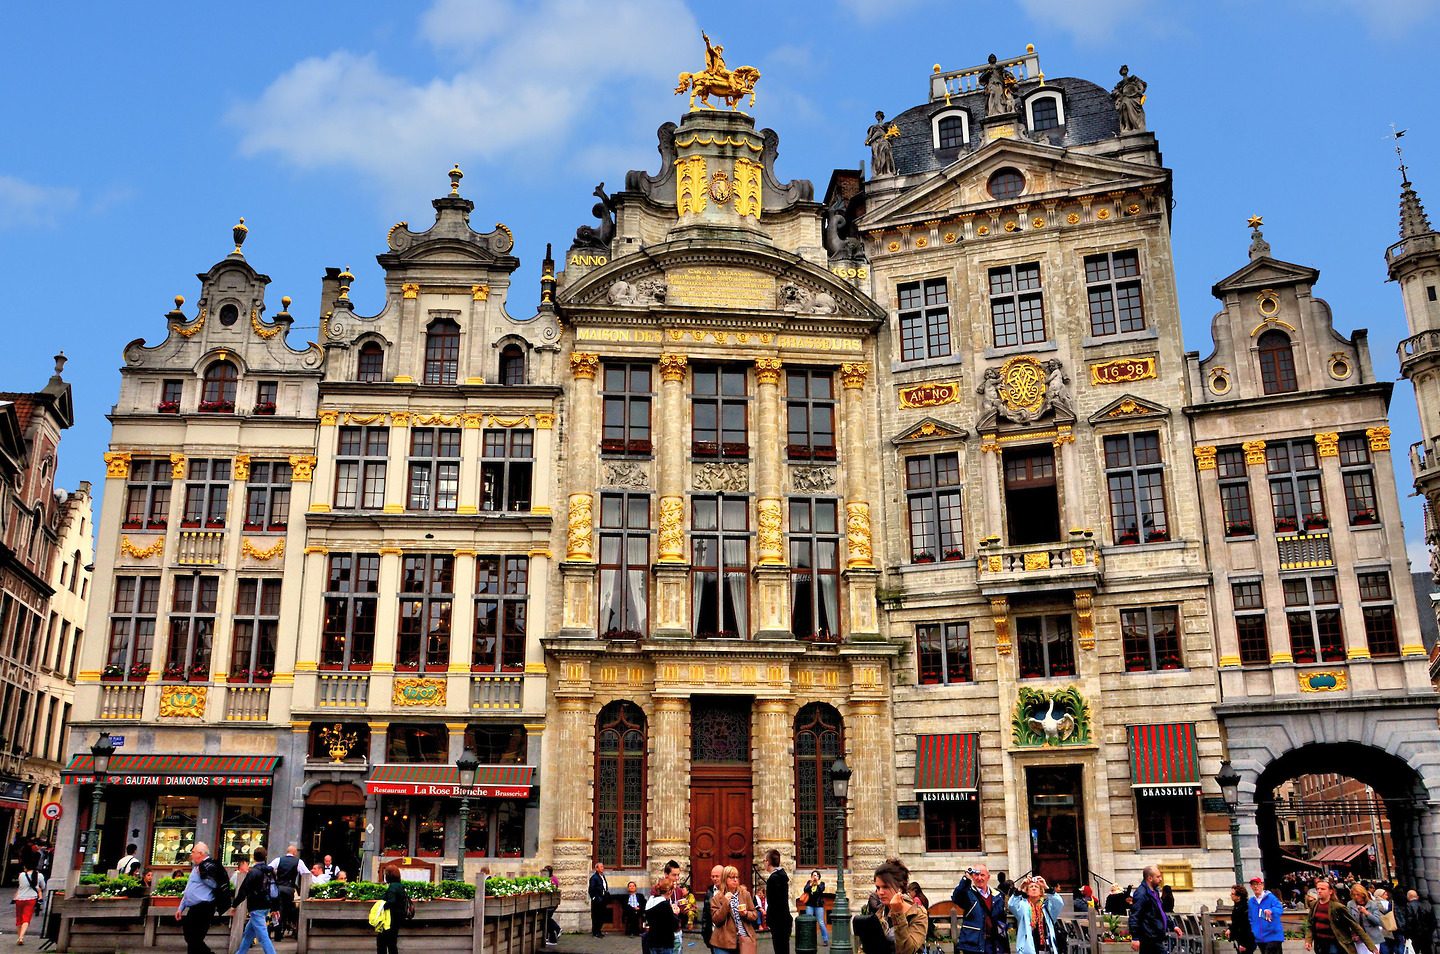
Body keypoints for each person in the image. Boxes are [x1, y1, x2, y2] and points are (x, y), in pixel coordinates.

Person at [852, 859, 928, 954]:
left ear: (899, 887)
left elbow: (907, 950)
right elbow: (865, 947)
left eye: (885, 887)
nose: (880, 892)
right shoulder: (880, 913)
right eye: (878, 887)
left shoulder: (917, 914)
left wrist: (898, 913)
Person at [178, 843, 229, 954]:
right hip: (193, 908)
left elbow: (216, 885)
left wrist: (204, 877)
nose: (191, 854)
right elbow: (189, 888)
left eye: (193, 852)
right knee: (190, 936)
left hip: (204, 907)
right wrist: (181, 907)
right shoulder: (196, 867)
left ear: (200, 854)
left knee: (194, 938)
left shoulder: (209, 866)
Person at [230, 846, 278, 954]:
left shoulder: (253, 872)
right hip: (267, 905)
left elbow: (243, 890)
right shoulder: (270, 871)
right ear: (265, 857)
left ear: (253, 857)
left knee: (263, 937)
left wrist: (234, 905)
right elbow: (275, 890)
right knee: (248, 934)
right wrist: (276, 907)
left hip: (256, 906)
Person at [953, 864, 1007, 954]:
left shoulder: (997, 895)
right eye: (976, 875)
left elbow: (1001, 920)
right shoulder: (968, 893)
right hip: (973, 944)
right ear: (972, 877)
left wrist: (1004, 946)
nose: (979, 878)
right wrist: (966, 879)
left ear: (988, 877)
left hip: (994, 944)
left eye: (982, 875)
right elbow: (956, 897)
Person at [1130, 866, 1183, 954]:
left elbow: (1160, 912)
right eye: (1158, 877)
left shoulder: (1154, 892)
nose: (1161, 879)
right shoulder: (1141, 893)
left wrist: (1173, 926)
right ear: (1150, 878)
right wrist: (1135, 937)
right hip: (1150, 936)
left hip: (1155, 935)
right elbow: (1135, 915)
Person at [710, 865, 759, 954]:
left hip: (744, 939)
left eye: (737, 877)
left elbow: (755, 914)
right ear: (725, 879)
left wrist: (746, 913)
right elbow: (716, 920)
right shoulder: (717, 898)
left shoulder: (745, 894)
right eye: (732, 877)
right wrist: (725, 903)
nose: (735, 880)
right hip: (723, 942)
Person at [1009, 876, 1063, 954]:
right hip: (1027, 949)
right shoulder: (1023, 906)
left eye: (1036, 887)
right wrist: (1020, 887)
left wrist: (1047, 887)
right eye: (1031, 887)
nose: (1034, 888)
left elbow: (1059, 903)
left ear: (1041, 891)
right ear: (1027, 891)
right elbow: (1011, 905)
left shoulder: (1047, 906)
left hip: (1046, 948)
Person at [1306, 879, 1363, 954]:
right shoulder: (1314, 904)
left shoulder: (1338, 907)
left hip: (1333, 942)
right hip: (1320, 942)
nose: (1319, 891)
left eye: (1322, 889)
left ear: (1330, 891)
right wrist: (1308, 940)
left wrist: (1371, 947)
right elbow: (1310, 924)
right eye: (1318, 889)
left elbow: (1354, 925)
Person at [646, 873, 682, 954]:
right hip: (665, 943)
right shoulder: (665, 905)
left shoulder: (651, 901)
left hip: (652, 941)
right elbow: (674, 925)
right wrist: (675, 913)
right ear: (670, 891)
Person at [766, 850, 793, 954]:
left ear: (768, 862)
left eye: (765, 861)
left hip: (778, 921)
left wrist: (769, 919)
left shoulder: (773, 879)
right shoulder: (782, 876)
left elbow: (772, 902)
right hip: (785, 919)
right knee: (784, 949)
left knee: (779, 949)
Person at [14, 858, 46, 945]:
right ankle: (21, 937)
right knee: (26, 918)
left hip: (20, 898)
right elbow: (43, 886)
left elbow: (20, 886)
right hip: (31, 899)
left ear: (26, 867)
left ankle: (19, 937)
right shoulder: (39, 875)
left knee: (19, 918)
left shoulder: (21, 875)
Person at [1249, 877, 1285, 954]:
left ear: (1262, 885)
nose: (1256, 887)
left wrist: (1271, 910)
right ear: (1251, 887)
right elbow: (1250, 918)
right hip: (1260, 938)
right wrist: (1253, 931)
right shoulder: (1251, 901)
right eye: (1253, 884)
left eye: (1258, 884)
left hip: (1273, 936)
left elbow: (1279, 909)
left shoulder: (1271, 897)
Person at [274, 844, 301, 941]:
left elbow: (269, 868)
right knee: (286, 910)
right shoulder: (298, 861)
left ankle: (277, 932)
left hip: (278, 887)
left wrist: (275, 878)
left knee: (277, 909)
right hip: (289, 888)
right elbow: (306, 873)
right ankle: (282, 929)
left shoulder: (278, 860)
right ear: (294, 852)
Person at [377, 866, 405, 954]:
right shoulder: (400, 886)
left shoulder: (392, 887)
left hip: (389, 920)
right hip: (397, 919)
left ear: (389, 876)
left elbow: (391, 902)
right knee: (392, 944)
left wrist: (381, 907)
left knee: (381, 943)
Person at [1350, 885, 1385, 954]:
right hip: (1359, 939)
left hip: (1373, 938)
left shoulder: (1372, 904)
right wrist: (1352, 934)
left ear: (1363, 894)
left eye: (1358, 894)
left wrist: (1366, 913)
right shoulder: (1350, 904)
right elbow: (1349, 921)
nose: (1356, 897)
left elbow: (1378, 922)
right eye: (1354, 895)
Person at [1403, 890, 1436, 954]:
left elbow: (1409, 921)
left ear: (1408, 897)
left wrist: (1407, 934)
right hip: (1426, 934)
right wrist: (1430, 931)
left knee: (1414, 951)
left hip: (1414, 935)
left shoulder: (1408, 906)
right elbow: (1433, 921)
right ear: (1417, 897)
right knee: (1427, 950)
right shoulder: (1427, 906)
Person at [803, 870, 829, 946]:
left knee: (821, 922)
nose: (815, 877)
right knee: (809, 922)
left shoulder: (821, 883)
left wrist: (817, 883)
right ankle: (809, 940)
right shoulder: (809, 883)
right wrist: (811, 884)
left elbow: (821, 890)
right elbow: (805, 890)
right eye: (814, 875)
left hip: (818, 906)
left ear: (819, 877)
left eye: (817, 875)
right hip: (810, 905)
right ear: (811, 876)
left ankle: (825, 940)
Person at [702, 864, 723, 953]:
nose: (714, 878)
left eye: (717, 876)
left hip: (726, 934)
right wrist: (704, 932)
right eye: (713, 876)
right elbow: (705, 913)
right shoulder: (709, 891)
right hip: (713, 933)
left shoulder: (729, 891)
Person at [1230, 884, 1256, 954]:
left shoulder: (1245, 908)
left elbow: (1246, 927)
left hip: (1246, 941)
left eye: (1232, 894)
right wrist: (1230, 930)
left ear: (1239, 896)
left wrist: (1244, 944)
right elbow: (1235, 923)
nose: (1231, 895)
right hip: (1240, 939)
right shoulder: (1237, 907)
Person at [589, 860, 609, 938]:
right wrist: (595, 898)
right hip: (597, 900)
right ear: (596, 868)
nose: (602, 868)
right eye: (601, 867)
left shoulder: (602, 876)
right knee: (596, 916)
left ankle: (599, 931)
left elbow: (604, 886)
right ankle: (595, 932)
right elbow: (591, 889)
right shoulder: (594, 878)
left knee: (601, 916)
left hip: (603, 899)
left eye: (603, 866)